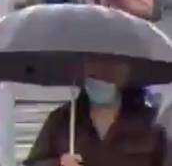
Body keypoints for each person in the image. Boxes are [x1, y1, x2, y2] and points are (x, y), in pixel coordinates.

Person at [25, 60, 168, 166]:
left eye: (110, 66)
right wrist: (58, 164)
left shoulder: (150, 125)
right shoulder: (61, 120)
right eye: (94, 65)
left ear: (127, 71)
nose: (102, 74)